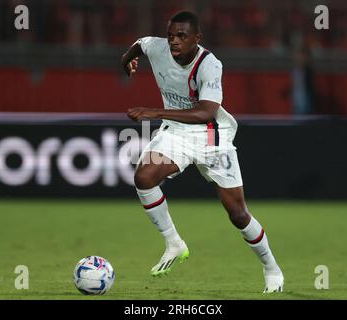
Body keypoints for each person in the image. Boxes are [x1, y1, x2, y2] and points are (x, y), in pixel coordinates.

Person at [120, 11, 284, 293]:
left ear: (197, 38)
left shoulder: (209, 65)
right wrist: (127, 60)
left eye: (182, 36)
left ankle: (271, 268)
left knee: (237, 213)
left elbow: (207, 111)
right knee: (144, 176)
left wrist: (153, 112)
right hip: (177, 131)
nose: (174, 41)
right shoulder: (156, 47)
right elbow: (139, 44)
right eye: (171, 35)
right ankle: (174, 243)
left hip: (212, 136)